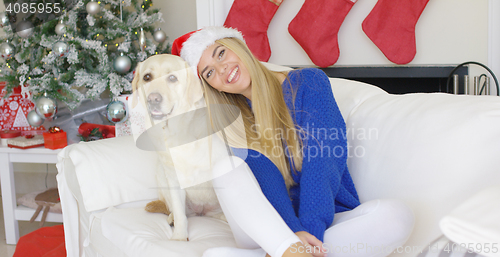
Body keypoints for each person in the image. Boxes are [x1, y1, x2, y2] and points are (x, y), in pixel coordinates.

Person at [171, 26, 415, 257]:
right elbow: (266, 178)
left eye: (221, 53)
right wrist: (289, 235)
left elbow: (323, 159)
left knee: (396, 216)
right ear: (211, 86)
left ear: (238, 46)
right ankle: (284, 248)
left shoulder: (308, 83)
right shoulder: (230, 121)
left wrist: (307, 232)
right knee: (227, 169)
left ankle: (278, 253)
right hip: (264, 225)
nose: (222, 69)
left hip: (323, 219)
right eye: (209, 72)